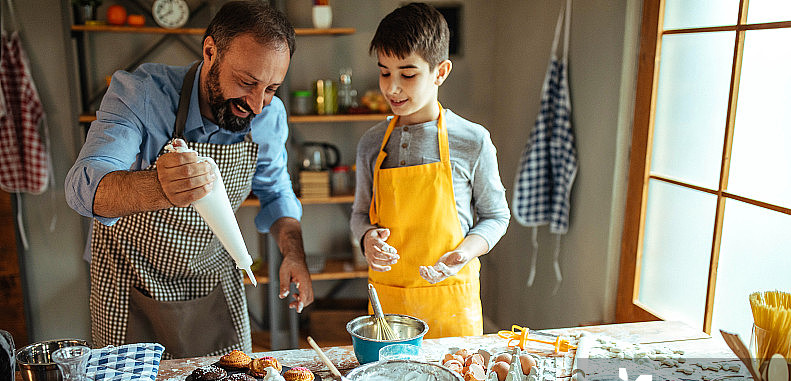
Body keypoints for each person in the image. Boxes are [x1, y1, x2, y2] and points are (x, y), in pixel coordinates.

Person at [65, 1, 313, 358]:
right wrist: (157, 186)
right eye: (247, 83)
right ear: (210, 51)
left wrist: (294, 254)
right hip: (130, 284)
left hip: (212, 281)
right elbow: (82, 187)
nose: (257, 105)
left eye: (271, 89)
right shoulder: (141, 94)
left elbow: (275, 192)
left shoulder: (268, 116)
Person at [350, 2, 510, 338]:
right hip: (389, 310)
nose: (392, 87)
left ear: (440, 72)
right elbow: (359, 214)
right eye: (384, 72)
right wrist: (366, 238)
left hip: (451, 302)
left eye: (407, 74)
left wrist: (463, 253)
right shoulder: (371, 143)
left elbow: (497, 217)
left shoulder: (473, 141)